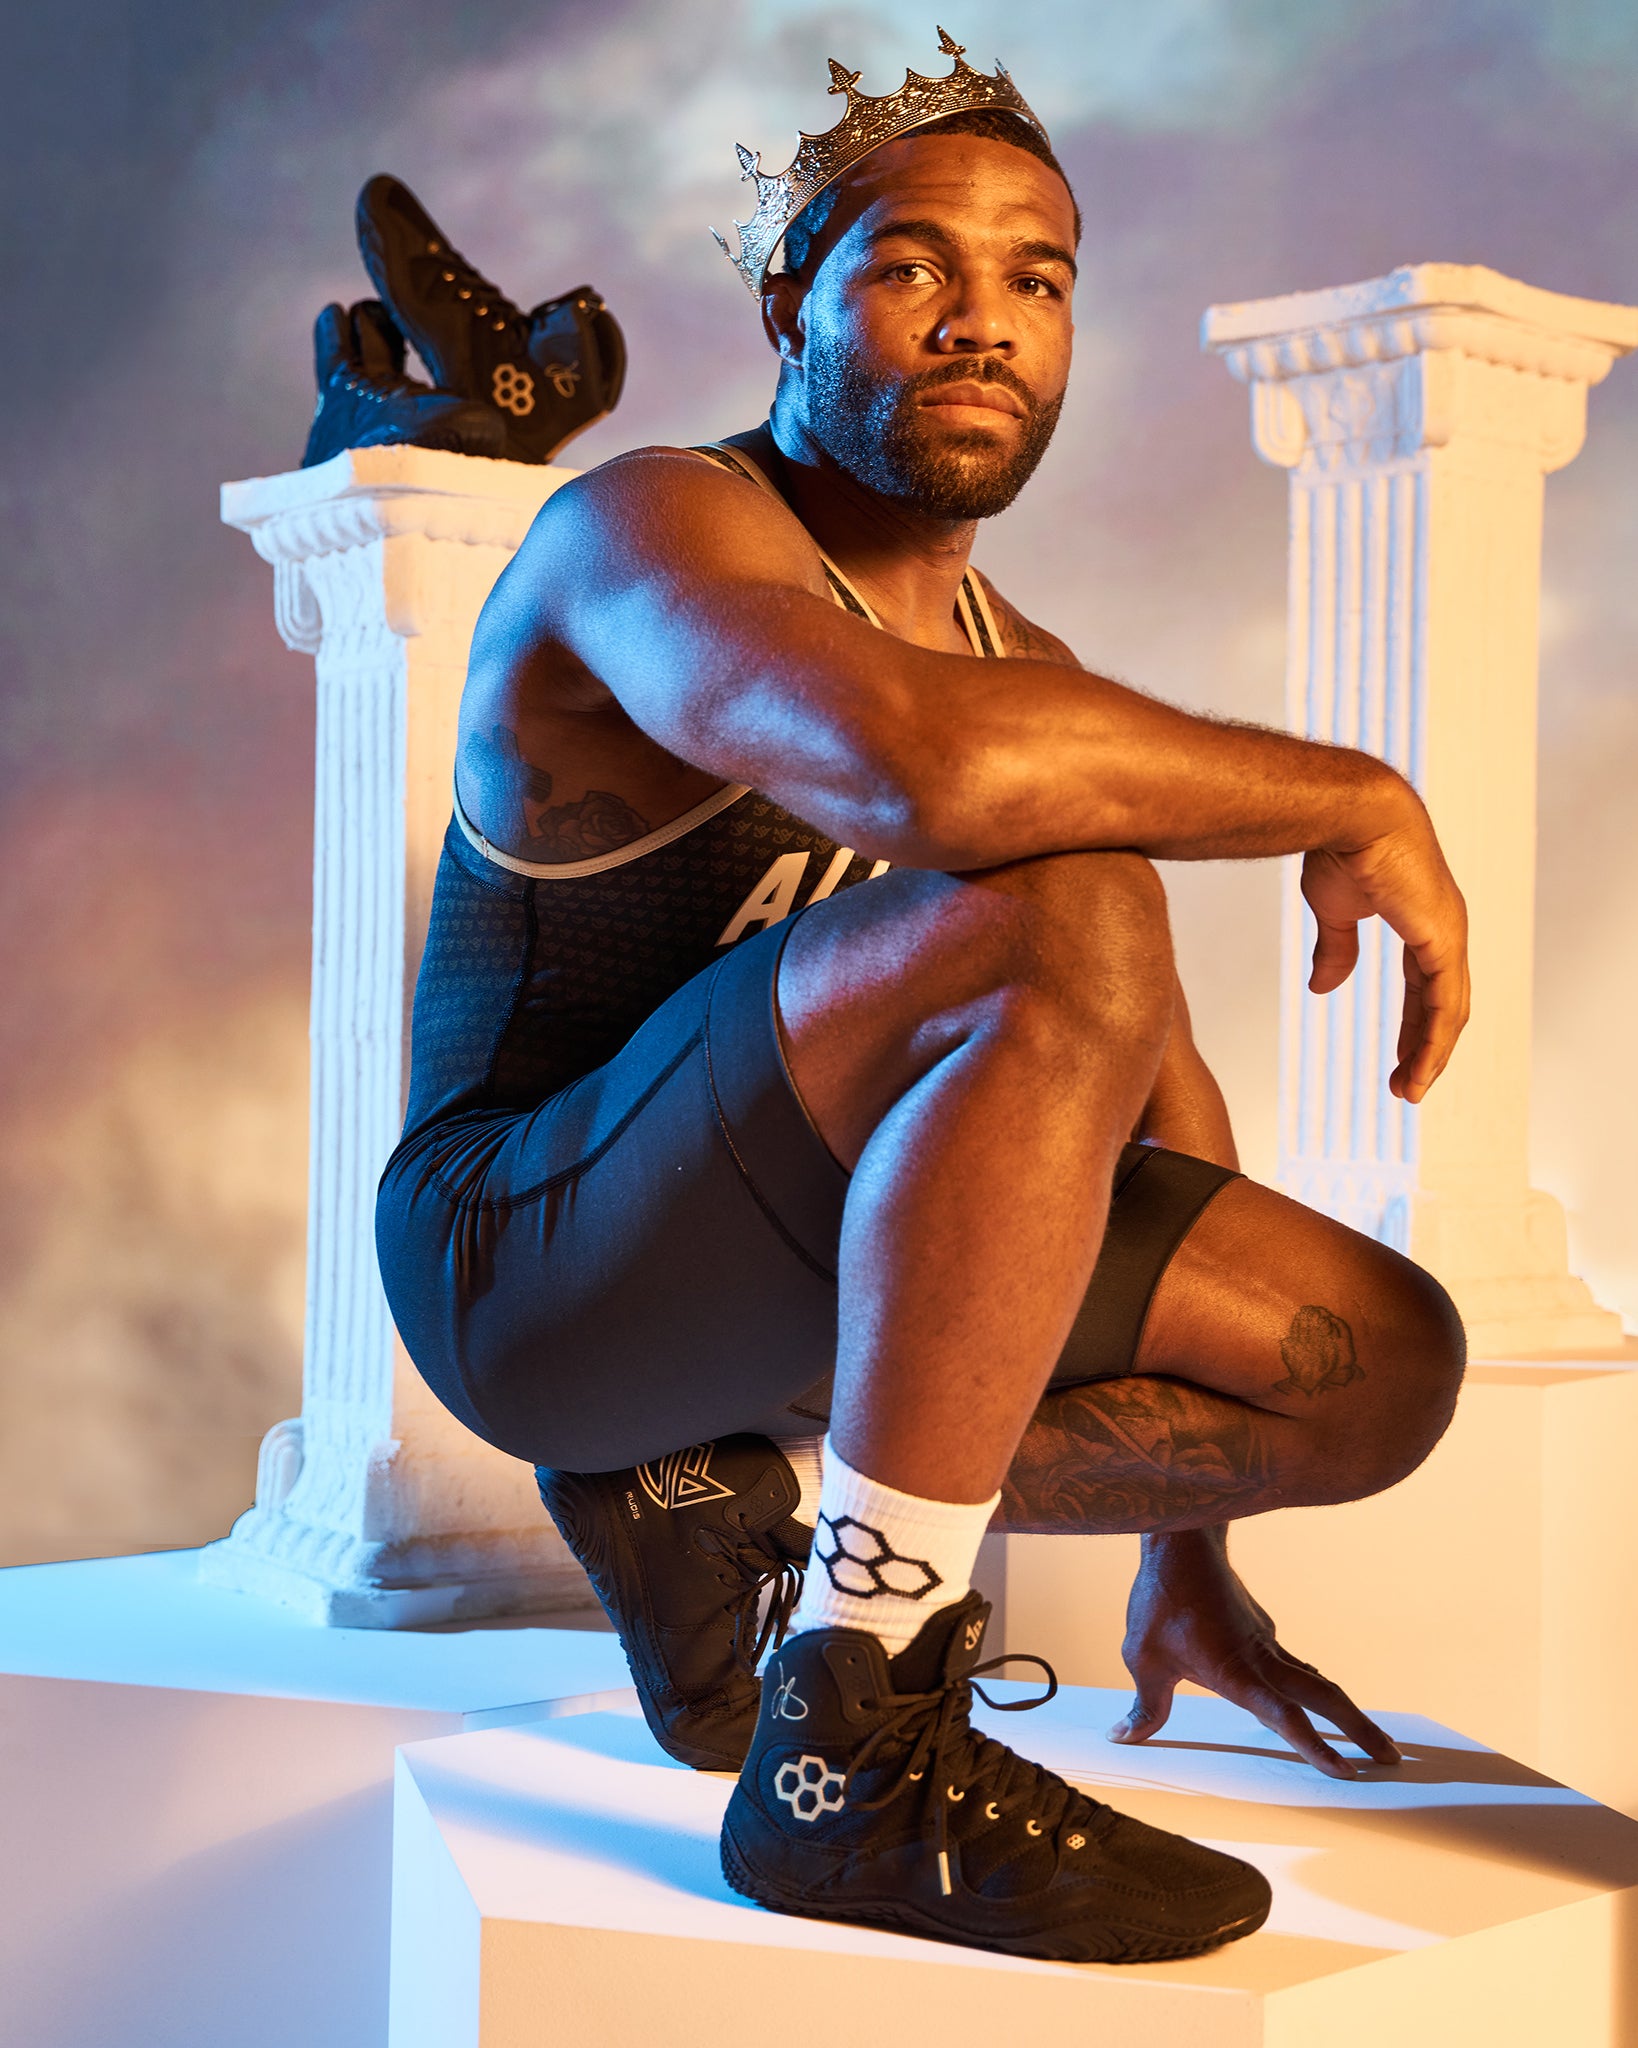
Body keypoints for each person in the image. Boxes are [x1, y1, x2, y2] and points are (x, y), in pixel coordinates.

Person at [374, 35, 1468, 1966]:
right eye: (911, 266)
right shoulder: (650, 529)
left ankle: (733, 1516)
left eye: (1037, 279)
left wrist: (1178, 1552)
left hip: (787, 1265)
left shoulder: (1009, 655)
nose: (983, 320)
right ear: (789, 301)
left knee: (1371, 1360)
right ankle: (849, 1753)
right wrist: (1360, 792)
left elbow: (1156, 1093)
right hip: (522, 1258)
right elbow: (921, 778)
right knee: (1068, 903)